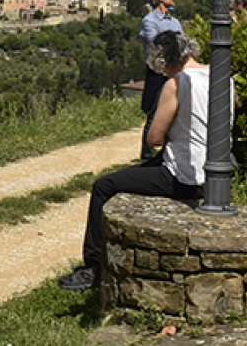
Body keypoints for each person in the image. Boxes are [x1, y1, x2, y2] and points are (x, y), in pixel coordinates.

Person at [58, 31, 224, 291]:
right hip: (214, 174)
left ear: (163, 60)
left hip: (181, 176)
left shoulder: (177, 83)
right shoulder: (221, 75)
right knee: (142, 170)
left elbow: (154, 138)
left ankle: (93, 268)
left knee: (104, 186)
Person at [137, 0, 182, 160]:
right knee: (155, 114)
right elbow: (157, 44)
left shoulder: (175, 22)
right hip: (159, 74)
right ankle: (146, 158)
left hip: (175, 73)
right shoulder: (149, 21)